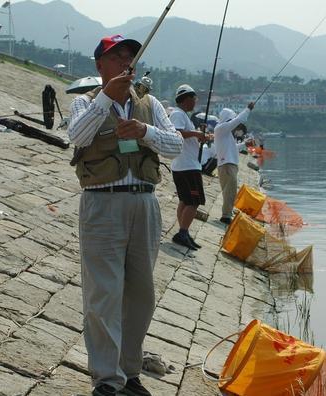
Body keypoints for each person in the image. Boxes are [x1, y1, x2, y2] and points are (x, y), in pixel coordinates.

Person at [67, 34, 183, 396]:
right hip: (102, 204)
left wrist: (145, 132)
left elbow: (177, 145)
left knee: (141, 294)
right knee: (103, 293)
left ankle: (130, 372)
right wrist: (107, 99)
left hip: (144, 204)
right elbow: (78, 137)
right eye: (117, 58)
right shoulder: (85, 104)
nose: (125, 64)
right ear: (100, 65)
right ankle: (106, 379)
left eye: (130, 58)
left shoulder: (150, 104)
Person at [169, 84, 207, 250]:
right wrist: (197, 134)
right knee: (194, 201)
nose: (195, 102)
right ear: (187, 99)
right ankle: (183, 232)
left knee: (185, 200)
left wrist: (199, 134)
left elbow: (187, 136)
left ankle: (183, 231)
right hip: (187, 166)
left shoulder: (183, 115)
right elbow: (176, 133)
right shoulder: (178, 114)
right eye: (194, 98)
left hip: (184, 165)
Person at [213, 102, 255, 224]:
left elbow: (232, 148)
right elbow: (237, 120)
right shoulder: (221, 128)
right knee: (229, 191)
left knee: (229, 191)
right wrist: (248, 109)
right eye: (231, 119)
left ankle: (227, 213)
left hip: (228, 164)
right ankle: (226, 216)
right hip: (227, 165)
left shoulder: (225, 134)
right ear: (228, 119)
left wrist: (244, 144)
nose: (235, 125)